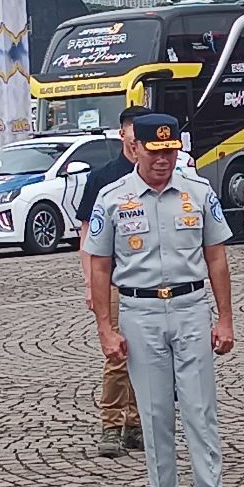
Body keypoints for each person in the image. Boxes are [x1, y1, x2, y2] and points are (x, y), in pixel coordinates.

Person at [83, 114, 238, 487]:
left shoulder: (198, 193)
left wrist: (224, 319)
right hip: (140, 309)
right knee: (154, 416)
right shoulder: (113, 198)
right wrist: (105, 328)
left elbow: (217, 259)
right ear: (136, 150)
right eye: (155, 152)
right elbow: (99, 265)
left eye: (170, 153)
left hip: (190, 307)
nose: (163, 161)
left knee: (200, 411)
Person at [77, 106, 150, 459]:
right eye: (134, 138)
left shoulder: (157, 177)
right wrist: (91, 284)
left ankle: (136, 425)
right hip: (115, 282)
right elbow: (87, 235)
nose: (139, 147)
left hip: (149, 280)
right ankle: (110, 424)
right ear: (122, 134)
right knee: (118, 355)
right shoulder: (103, 178)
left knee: (148, 357)